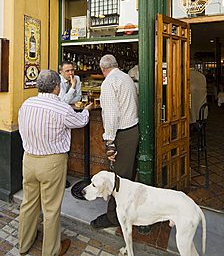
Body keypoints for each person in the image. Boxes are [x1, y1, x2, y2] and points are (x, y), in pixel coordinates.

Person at [18, 69, 93, 256]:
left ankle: (23, 245)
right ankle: (51, 251)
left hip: (28, 159)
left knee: (28, 203)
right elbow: (80, 122)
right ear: (57, 87)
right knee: (51, 208)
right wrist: (86, 111)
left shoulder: (26, 104)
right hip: (52, 162)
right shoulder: (61, 108)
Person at [90, 54, 139, 229]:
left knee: (118, 179)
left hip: (122, 134)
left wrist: (109, 142)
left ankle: (113, 217)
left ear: (103, 69)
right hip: (133, 130)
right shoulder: (127, 78)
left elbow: (111, 115)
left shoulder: (109, 83)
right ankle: (127, 210)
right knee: (128, 176)